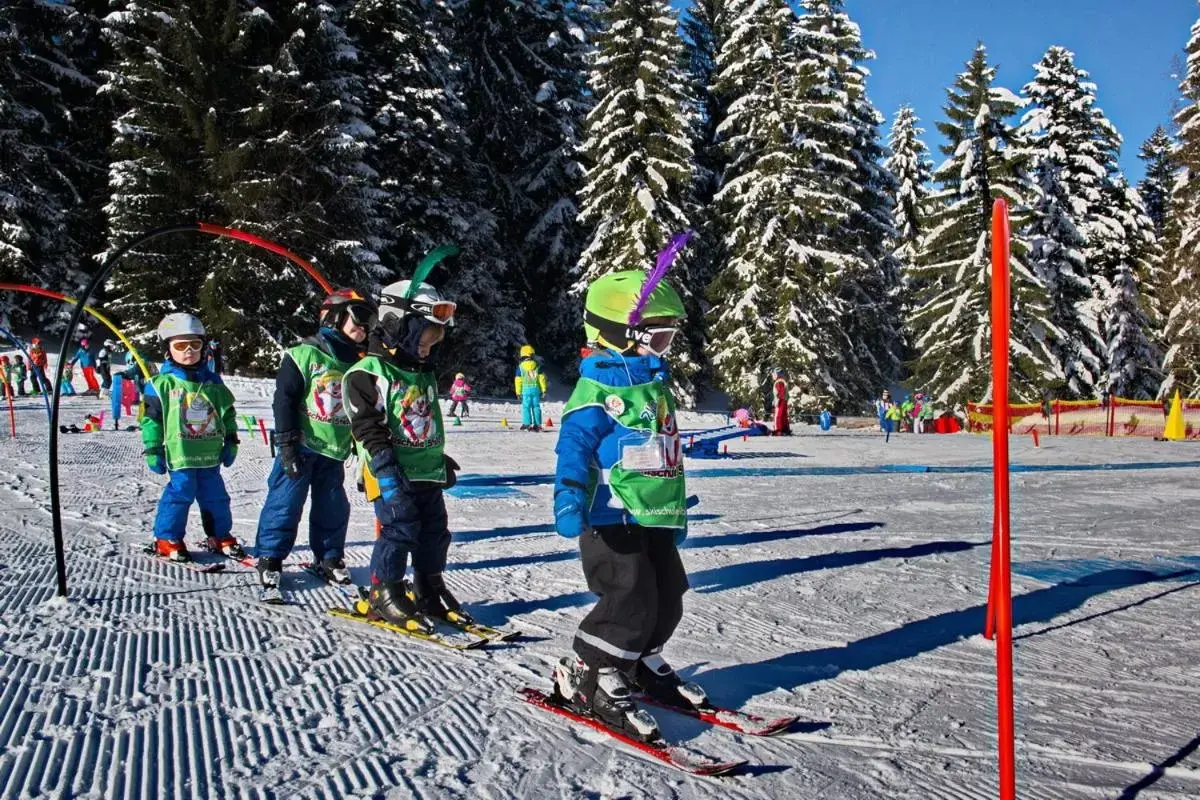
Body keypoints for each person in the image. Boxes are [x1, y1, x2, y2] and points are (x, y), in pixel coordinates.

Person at [550, 269, 700, 743]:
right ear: (619, 334)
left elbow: (664, 454)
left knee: (669, 593)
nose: (665, 346)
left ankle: (639, 662)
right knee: (628, 597)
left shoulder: (654, 385)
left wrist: (674, 513)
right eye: (656, 336)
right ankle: (593, 671)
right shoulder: (597, 393)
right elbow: (573, 446)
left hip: (652, 514)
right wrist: (569, 495)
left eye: (669, 336)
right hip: (610, 514)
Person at [343, 278, 463, 630]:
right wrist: (384, 469)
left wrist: (438, 458)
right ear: (398, 326)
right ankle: (385, 591)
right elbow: (367, 428)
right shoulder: (368, 374)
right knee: (399, 528)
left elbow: (423, 421)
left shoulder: (418, 371)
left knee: (435, 531)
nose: (428, 348)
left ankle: (429, 586)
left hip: (425, 469)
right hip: (390, 471)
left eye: (435, 339)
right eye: (425, 338)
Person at [254, 289, 376, 590]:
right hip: (301, 446)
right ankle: (271, 556)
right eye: (358, 320)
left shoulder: (360, 365)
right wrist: (285, 442)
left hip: (333, 451)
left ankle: (330, 556)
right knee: (285, 502)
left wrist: (364, 455)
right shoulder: (303, 355)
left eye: (368, 323)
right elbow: (284, 400)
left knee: (333, 505)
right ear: (333, 317)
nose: (364, 328)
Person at [141, 313, 242, 562]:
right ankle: (167, 538)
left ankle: (220, 534)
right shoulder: (160, 384)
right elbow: (151, 420)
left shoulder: (214, 383)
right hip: (181, 454)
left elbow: (227, 413)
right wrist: (153, 448)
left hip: (209, 453)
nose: (188, 351)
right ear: (168, 349)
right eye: (180, 346)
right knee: (180, 494)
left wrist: (231, 439)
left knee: (216, 496)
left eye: (194, 345)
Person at [514, 344, 548, 431]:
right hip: (536, 389)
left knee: (526, 406)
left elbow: (518, 380)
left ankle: (527, 423)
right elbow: (542, 378)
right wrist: (544, 390)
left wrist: (518, 392)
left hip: (525, 390)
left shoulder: (520, 367)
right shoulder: (537, 366)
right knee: (536, 406)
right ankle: (537, 425)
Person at [770, 367, 791, 436]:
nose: (772, 375)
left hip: (780, 401)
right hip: (784, 400)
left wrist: (778, 400)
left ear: (777, 374)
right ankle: (785, 429)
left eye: (773, 374)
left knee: (778, 416)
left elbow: (781, 392)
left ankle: (778, 429)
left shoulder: (779, 381)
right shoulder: (782, 381)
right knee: (783, 415)